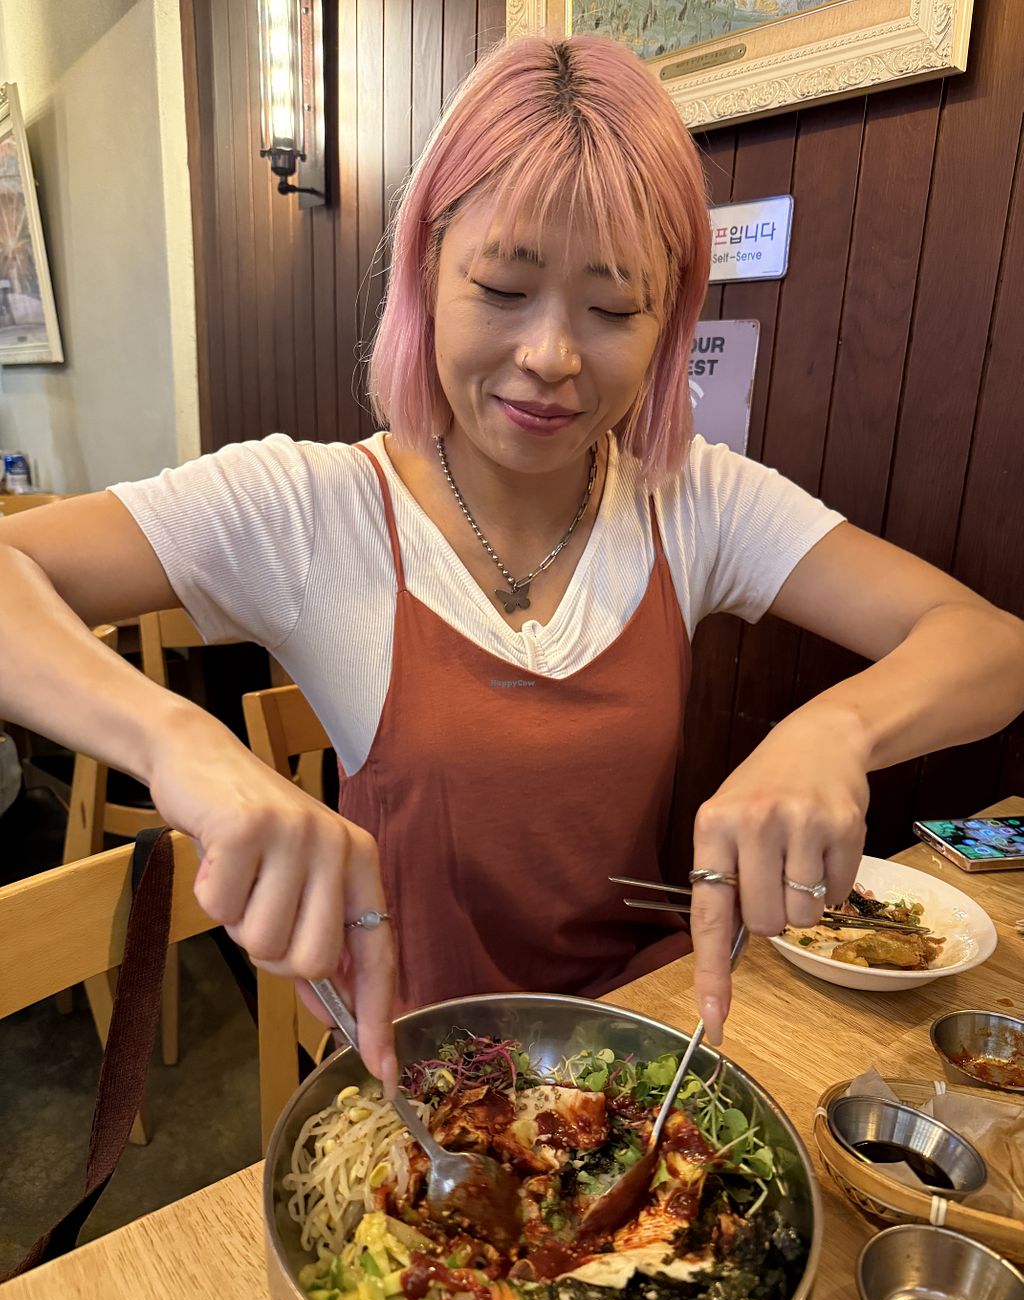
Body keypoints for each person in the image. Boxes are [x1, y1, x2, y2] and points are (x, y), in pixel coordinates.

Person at [1, 36, 1022, 1092]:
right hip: (422, 1087)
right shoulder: (311, 506)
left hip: (639, 1045)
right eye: (501, 287)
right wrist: (180, 743)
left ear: (669, 320)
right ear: (425, 274)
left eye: (613, 309)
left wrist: (836, 731)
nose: (551, 356)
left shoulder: (688, 498)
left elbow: (991, 647)